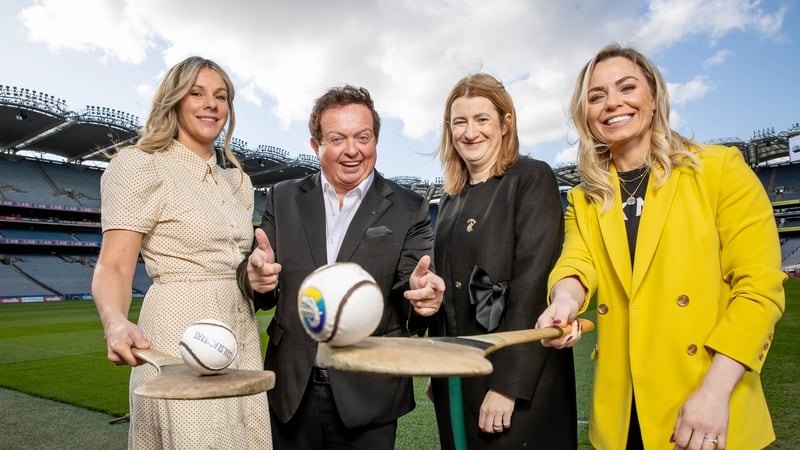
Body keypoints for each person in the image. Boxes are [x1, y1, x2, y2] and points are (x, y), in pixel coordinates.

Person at [536, 43, 786, 450]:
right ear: (586, 115)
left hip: (707, 399)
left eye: (627, 87)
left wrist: (714, 393)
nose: (612, 103)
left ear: (654, 97)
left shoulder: (719, 169)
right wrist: (564, 301)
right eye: (596, 96)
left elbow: (759, 289)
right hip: (622, 416)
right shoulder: (585, 198)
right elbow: (577, 263)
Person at [237, 84, 445, 449]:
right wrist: (256, 277)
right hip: (293, 389)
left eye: (363, 137)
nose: (352, 150)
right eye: (337, 139)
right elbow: (257, 269)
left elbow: (411, 288)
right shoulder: (283, 197)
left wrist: (421, 296)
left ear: (376, 140)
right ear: (315, 145)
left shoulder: (409, 206)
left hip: (370, 393)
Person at [92, 56, 272, 449]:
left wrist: (255, 274)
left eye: (221, 97)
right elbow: (115, 266)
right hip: (179, 327)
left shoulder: (238, 182)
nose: (211, 104)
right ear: (173, 100)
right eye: (197, 93)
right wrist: (114, 322)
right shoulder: (141, 166)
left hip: (239, 329)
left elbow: (236, 263)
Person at [427, 73, 577, 449]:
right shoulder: (450, 197)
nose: (470, 132)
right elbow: (448, 293)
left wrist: (508, 386)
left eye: (482, 119)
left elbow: (532, 286)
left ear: (505, 123)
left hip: (514, 380)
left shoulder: (531, 177)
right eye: (460, 122)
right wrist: (439, 366)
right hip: (458, 375)